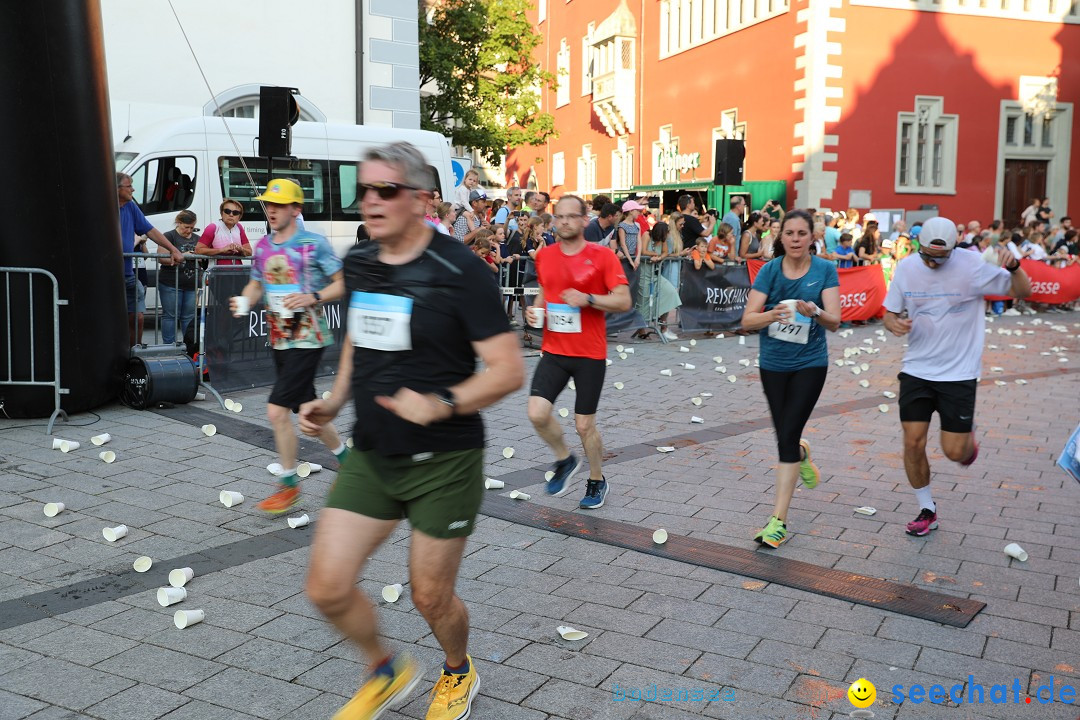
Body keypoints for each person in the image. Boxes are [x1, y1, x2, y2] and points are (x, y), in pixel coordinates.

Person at [299, 142, 524, 720]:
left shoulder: (461, 271)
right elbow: (357, 336)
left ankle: (457, 670)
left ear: (422, 199)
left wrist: (442, 402)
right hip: (373, 453)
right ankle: (385, 668)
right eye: (365, 190)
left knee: (429, 595)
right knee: (326, 586)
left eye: (386, 190)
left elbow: (507, 371)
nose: (370, 202)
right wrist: (335, 399)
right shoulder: (360, 260)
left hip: (444, 461)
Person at [882, 216, 1031, 537]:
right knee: (912, 441)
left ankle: (967, 441)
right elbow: (889, 313)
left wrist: (1015, 267)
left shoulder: (973, 264)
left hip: (959, 374)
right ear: (918, 245)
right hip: (916, 370)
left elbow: (1025, 291)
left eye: (941, 257)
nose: (933, 263)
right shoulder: (907, 267)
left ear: (953, 248)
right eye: (927, 256)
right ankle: (927, 509)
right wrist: (892, 324)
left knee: (954, 452)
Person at [229, 179, 348, 513]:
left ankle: (289, 485)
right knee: (306, 407)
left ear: (296, 209)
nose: (271, 211)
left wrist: (313, 296)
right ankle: (349, 463)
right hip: (280, 338)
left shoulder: (314, 245)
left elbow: (342, 283)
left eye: (278, 205)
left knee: (276, 410)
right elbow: (256, 284)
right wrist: (243, 301)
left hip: (309, 337)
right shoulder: (264, 246)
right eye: (268, 205)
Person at [740, 210, 841, 548]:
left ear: (813, 237)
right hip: (773, 364)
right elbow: (747, 320)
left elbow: (835, 322)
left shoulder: (825, 269)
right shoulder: (769, 271)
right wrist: (772, 313)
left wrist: (816, 312)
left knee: (785, 436)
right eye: (790, 233)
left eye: (802, 233)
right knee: (785, 434)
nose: (796, 239)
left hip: (810, 363)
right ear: (780, 238)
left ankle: (778, 522)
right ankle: (800, 451)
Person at [526, 195, 631, 510]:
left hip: (589, 353)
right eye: (560, 217)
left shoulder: (602, 257)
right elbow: (546, 290)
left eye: (572, 216)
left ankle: (597, 480)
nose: (565, 222)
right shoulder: (544, 256)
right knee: (536, 413)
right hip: (554, 350)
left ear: (585, 220)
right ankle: (565, 459)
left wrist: (589, 299)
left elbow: (624, 300)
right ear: (553, 220)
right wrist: (535, 311)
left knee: (584, 425)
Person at [116, 172, 184, 347]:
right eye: (128, 185)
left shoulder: (131, 206)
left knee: (137, 317)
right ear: (116, 188)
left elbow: (150, 230)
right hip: (107, 275)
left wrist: (173, 249)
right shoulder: (103, 207)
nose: (133, 188)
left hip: (128, 274)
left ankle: (135, 356)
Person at [158, 210, 201, 346]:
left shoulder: (197, 238)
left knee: (188, 317)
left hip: (191, 284)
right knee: (170, 316)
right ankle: (169, 347)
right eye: (186, 227)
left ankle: (188, 347)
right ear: (178, 223)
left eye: (191, 228)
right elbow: (161, 258)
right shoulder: (169, 236)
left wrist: (199, 258)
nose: (189, 231)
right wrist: (183, 255)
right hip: (170, 283)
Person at [195, 198, 252, 265]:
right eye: (227, 211)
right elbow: (198, 250)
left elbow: (249, 252)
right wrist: (222, 250)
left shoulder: (239, 227)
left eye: (235, 213)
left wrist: (241, 249)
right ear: (221, 213)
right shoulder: (213, 227)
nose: (231, 214)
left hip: (237, 271)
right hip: (217, 272)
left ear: (239, 216)